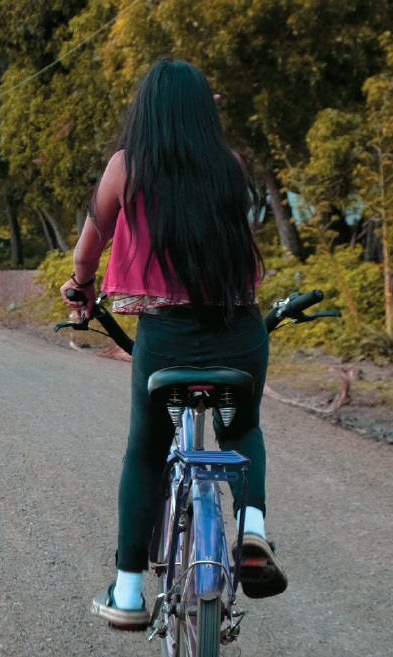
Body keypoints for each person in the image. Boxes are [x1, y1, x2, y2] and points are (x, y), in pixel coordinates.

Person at [60, 57, 287, 631]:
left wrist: (81, 289)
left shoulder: (125, 168)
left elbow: (88, 251)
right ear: (202, 111)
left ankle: (130, 592)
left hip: (166, 338)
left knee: (144, 452)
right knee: (244, 429)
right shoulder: (231, 167)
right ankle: (253, 531)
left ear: (148, 112)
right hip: (239, 330)